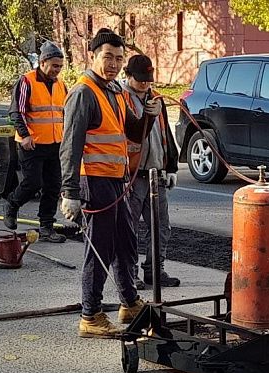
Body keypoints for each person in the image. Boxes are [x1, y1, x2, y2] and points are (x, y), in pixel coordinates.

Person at [59, 28, 160, 338]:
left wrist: (150, 116)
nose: (114, 63)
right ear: (93, 56)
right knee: (100, 249)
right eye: (108, 57)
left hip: (116, 182)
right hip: (94, 183)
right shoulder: (84, 92)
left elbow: (132, 131)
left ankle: (129, 302)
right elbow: (70, 145)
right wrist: (70, 193)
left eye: (118, 58)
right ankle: (90, 315)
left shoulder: (114, 91)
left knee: (126, 243)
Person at [121, 54, 181, 289]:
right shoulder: (121, 99)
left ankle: (155, 271)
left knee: (161, 226)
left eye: (148, 79)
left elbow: (166, 134)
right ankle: (130, 273)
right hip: (134, 175)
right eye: (140, 79)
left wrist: (171, 167)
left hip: (156, 173)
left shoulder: (157, 99)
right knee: (130, 227)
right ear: (128, 76)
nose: (145, 83)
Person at [3, 41, 68, 243]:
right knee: (33, 183)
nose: (57, 70)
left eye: (60, 66)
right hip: (31, 144)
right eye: (54, 66)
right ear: (42, 62)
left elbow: (64, 113)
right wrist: (25, 135)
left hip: (55, 144)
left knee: (53, 186)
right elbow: (16, 112)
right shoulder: (26, 81)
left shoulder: (61, 85)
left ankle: (46, 227)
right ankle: (12, 204)